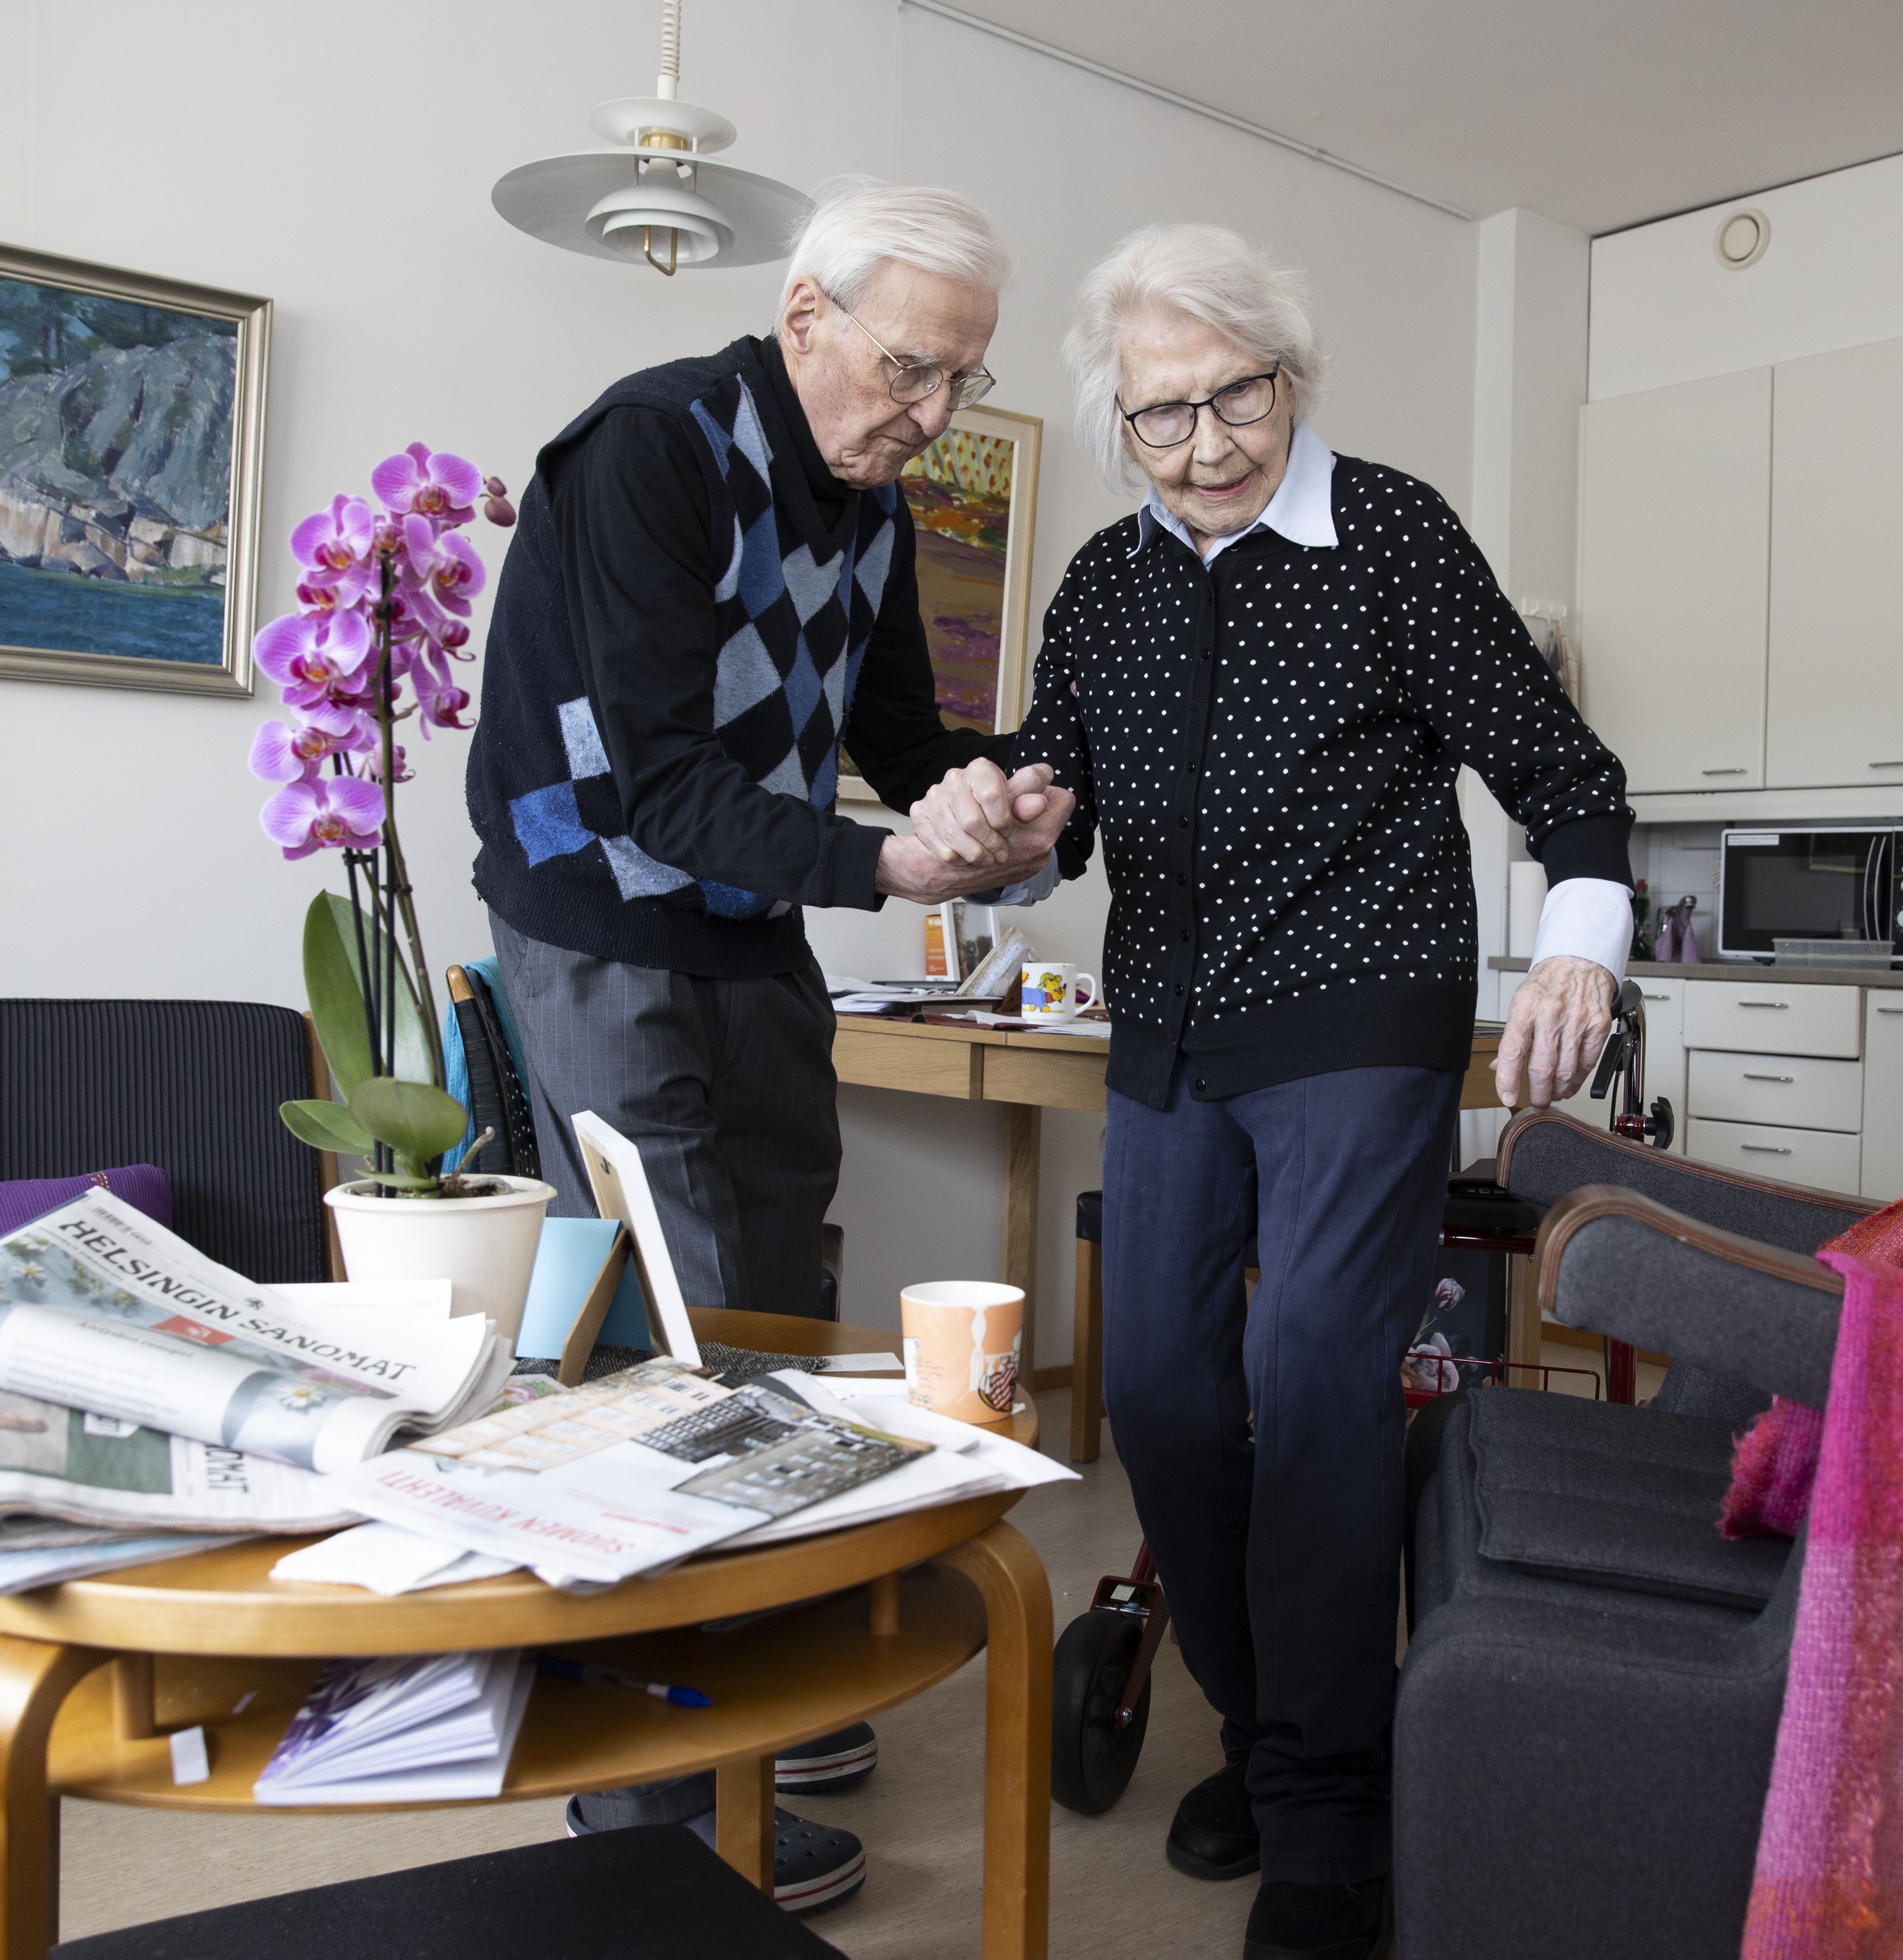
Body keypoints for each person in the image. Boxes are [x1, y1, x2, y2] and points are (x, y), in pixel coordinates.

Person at [910, 224, 1628, 1960]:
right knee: (1155, 1393)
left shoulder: (1387, 533)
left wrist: (1582, 947)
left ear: (1290, 379)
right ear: (1121, 422)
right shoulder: (1103, 583)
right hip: (1166, 1029)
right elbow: (1047, 809)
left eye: (1241, 394)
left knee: (1311, 1375)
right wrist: (990, 842)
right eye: (1166, 414)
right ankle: (1271, 1731)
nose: (1211, 440)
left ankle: (1328, 1813)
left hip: (1357, 1014)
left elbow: (1559, 768)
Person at [463, 180, 1072, 1915]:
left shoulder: (872, 492)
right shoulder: (651, 449)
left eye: (962, 380)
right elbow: (653, 781)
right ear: (805, 312)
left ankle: (763, 1658)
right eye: (910, 368)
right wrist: (890, 863)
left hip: (747, 915)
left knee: (788, 1274)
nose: (936, 414)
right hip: (596, 911)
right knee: (673, 1326)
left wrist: (999, 794)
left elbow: (894, 731)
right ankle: (652, 1800)